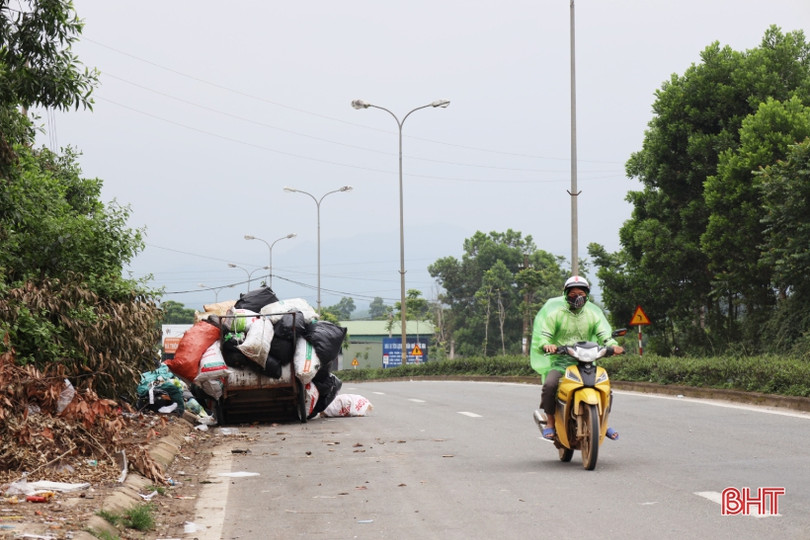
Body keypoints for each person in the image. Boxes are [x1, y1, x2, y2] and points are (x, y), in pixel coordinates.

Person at [529, 275, 623, 440]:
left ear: (586, 295)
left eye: (581, 293)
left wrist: (613, 345)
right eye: (573, 294)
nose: (577, 297)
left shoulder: (592, 316)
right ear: (566, 295)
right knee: (550, 385)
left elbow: (604, 335)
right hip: (561, 364)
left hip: (587, 362)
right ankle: (550, 422)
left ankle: (603, 423)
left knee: (605, 387)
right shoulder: (556, 315)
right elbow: (545, 336)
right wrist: (547, 345)